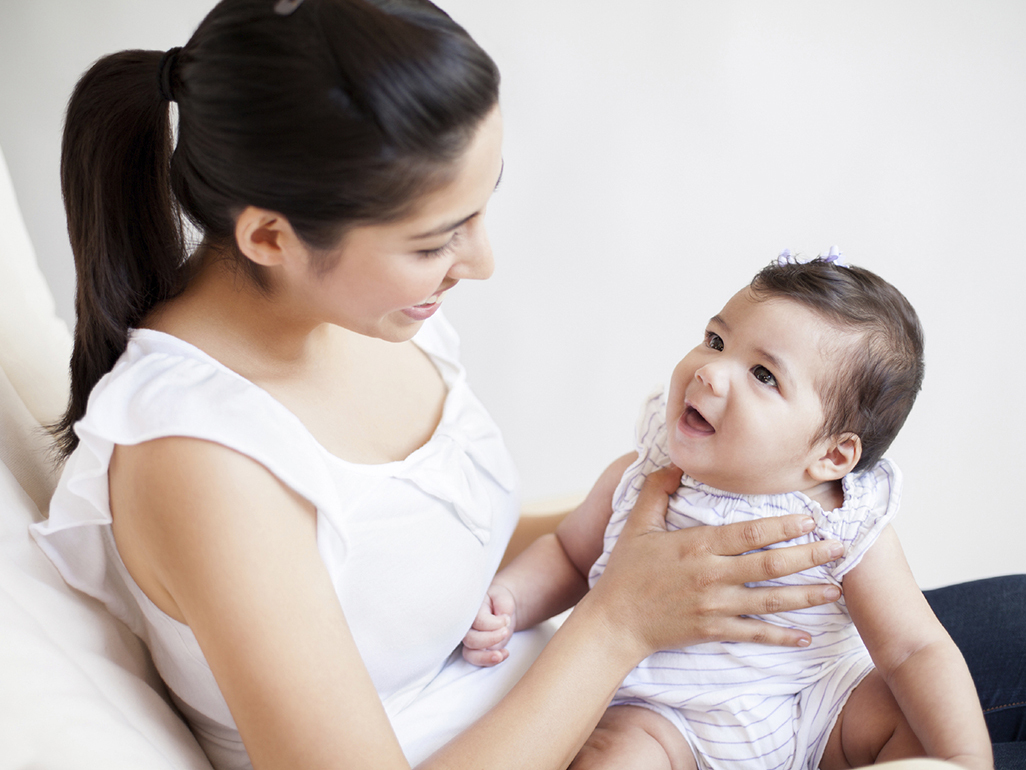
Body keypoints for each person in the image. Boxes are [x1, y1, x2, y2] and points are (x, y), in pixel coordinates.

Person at [23, 0, 1023, 768]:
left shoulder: (355, 310)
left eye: (480, 204)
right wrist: (621, 616)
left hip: (666, 670)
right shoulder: (204, 466)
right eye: (435, 239)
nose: (483, 261)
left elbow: (420, 552)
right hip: (627, 726)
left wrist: (687, 540)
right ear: (270, 236)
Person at [461, 252, 992, 770]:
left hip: (812, 709)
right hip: (667, 718)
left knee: (896, 711)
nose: (711, 373)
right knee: (614, 755)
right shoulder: (645, 475)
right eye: (716, 340)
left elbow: (912, 651)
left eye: (764, 375)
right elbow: (571, 556)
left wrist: (963, 757)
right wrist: (509, 599)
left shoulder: (846, 525)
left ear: (831, 455)